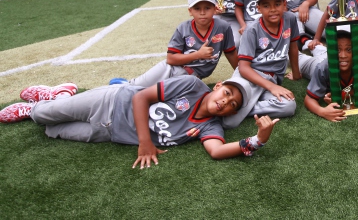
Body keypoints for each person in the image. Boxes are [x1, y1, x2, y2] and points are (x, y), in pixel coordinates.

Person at [0, 75, 280, 167]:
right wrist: (146, 143)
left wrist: (258, 141)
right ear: (218, 86)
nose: (225, 101)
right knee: (40, 116)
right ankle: (45, 100)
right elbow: (140, 98)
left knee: (52, 131)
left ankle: (59, 96)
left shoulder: (210, 127)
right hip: (110, 101)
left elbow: (217, 151)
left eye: (232, 106)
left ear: (229, 114)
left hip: (108, 133)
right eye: (227, 93)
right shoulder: (192, 85)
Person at [111, 0, 238, 88]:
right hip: (171, 69)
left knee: (160, 93)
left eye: (207, 7)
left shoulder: (223, 27)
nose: (202, 12)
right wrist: (198, 54)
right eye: (197, 8)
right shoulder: (183, 28)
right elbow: (171, 59)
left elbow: (231, 53)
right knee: (136, 87)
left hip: (192, 77)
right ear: (190, 11)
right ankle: (124, 86)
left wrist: (240, 75)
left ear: (215, 9)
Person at [222, 0, 301, 128]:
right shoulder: (251, 30)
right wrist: (271, 87)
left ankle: (242, 107)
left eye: (277, 4)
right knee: (228, 122)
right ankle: (238, 105)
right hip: (250, 76)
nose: (272, 10)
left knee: (289, 106)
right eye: (266, 5)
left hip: (272, 78)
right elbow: (244, 68)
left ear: (284, 4)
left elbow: (293, 46)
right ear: (258, 8)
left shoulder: (289, 19)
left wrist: (296, 73)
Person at [299, 31, 358, 122]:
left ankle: (309, 42)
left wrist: (341, 95)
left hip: (331, 57)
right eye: (337, 50)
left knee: (320, 49)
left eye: (349, 50)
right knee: (298, 58)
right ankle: (303, 40)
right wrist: (322, 111)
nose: (343, 55)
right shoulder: (322, 68)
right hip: (316, 64)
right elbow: (309, 99)